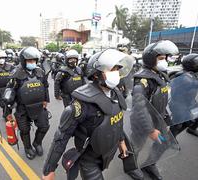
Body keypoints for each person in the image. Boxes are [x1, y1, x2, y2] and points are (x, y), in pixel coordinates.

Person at [42, 49, 133, 180]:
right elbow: (61, 138)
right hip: (89, 159)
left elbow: (117, 121)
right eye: (112, 70)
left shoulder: (116, 94)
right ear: (96, 74)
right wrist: (48, 170)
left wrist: (122, 142)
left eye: (118, 69)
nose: (116, 74)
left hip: (107, 153)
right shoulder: (81, 104)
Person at [124, 40, 179, 180]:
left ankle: (149, 163)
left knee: (163, 143)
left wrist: (166, 121)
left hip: (158, 119)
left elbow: (163, 100)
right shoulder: (142, 80)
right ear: (150, 59)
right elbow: (140, 109)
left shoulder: (160, 75)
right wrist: (150, 130)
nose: (165, 61)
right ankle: (130, 167)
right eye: (161, 58)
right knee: (136, 146)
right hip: (142, 123)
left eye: (166, 58)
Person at [3, 47, 50, 159]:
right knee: (24, 130)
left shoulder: (40, 71)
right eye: (29, 61)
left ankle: (37, 143)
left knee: (44, 126)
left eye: (34, 60)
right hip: (22, 107)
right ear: (23, 61)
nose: (32, 63)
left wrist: (45, 100)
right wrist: (7, 112)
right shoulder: (16, 74)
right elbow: (9, 93)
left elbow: (45, 86)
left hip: (38, 105)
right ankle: (28, 147)